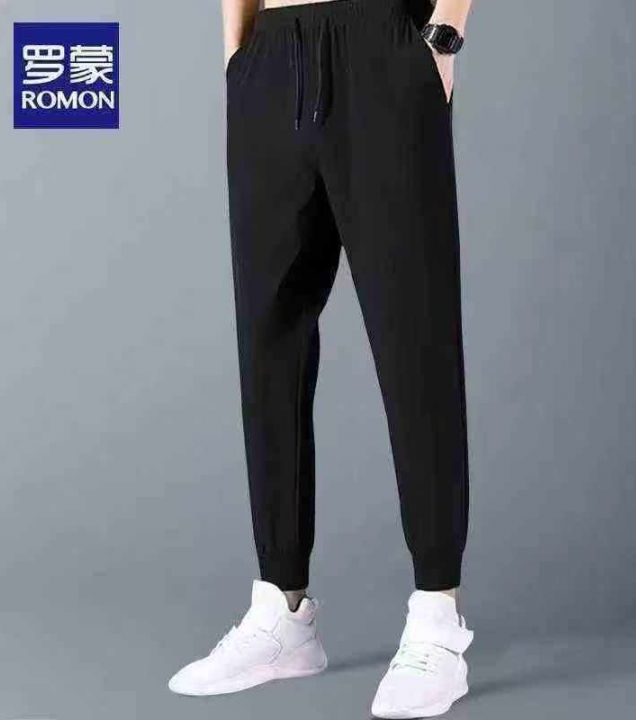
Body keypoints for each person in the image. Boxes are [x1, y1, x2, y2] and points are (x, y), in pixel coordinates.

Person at [169, 0, 475, 715]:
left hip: (382, 40)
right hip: (271, 52)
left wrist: (443, 36)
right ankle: (282, 610)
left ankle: (438, 617)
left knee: (414, 334)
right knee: (268, 337)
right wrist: (239, 54)